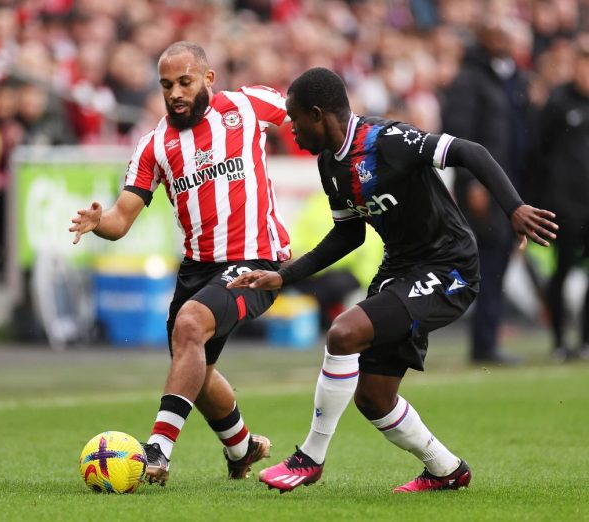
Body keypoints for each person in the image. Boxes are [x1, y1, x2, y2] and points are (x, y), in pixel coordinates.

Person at [228, 67, 557, 493]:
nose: (291, 131)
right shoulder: (331, 164)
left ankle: (310, 457)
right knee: (374, 398)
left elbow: (471, 151)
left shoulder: (387, 140)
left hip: (449, 267)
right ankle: (446, 469)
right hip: (401, 270)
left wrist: (513, 207)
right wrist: (283, 276)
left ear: (317, 114)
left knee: (343, 333)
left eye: (294, 120)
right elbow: (349, 233)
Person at [69, 41, 291, 486]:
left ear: (208, 79)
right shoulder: (154, 145)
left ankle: (158, 450)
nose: (175, 93)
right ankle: (242, 447)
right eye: (166, 85)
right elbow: (121, 218)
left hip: (256, 261)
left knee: (190, 325)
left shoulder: (248, 106)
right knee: (196, 368)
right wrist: (99, 222)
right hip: (197, 269)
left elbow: (310, 116)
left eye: (184, 82)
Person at [442, 20, 531, 364]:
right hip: (485, 187)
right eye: (499, 36)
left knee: (497, 264)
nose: (507, 43)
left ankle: (487, 339)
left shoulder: (511, 78)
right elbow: (460, 135)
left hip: (509, 187)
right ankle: (482, 343)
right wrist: (473, 181)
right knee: (485, 264)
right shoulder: (469, 80)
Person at [539, 34, 589, 362]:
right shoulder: (558, 103)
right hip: (565, 206)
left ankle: (585, 340)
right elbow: (539, 154)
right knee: (563, 271)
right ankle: (559, 340)